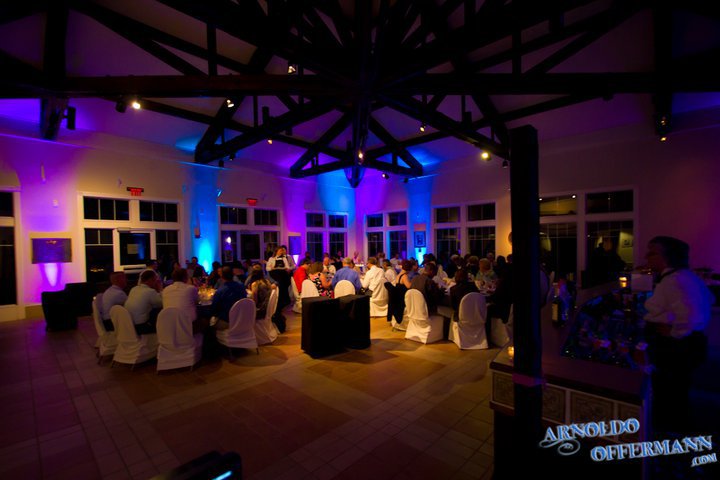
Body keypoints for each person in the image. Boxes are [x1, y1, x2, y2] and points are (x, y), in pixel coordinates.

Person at [643, 236, 713, 434]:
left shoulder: (675, 280)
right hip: (685, 345)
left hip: (677, 348)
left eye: (652, 252)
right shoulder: (684, 277)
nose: (646, 256)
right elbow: (709, 299)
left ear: (666, 256)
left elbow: (694, 315)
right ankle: (674, 431)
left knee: (671, 392)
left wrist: (675, 332)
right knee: (677, 391)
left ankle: (672, 435)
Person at [124, 270, 163, 334]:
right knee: (161, 313)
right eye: (156, 280)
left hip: (129, 325)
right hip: (141, 327)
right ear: (151, 279)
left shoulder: (134, 289)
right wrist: (160, 289)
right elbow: (161, 304)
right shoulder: (150, 291)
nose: (156, 282)